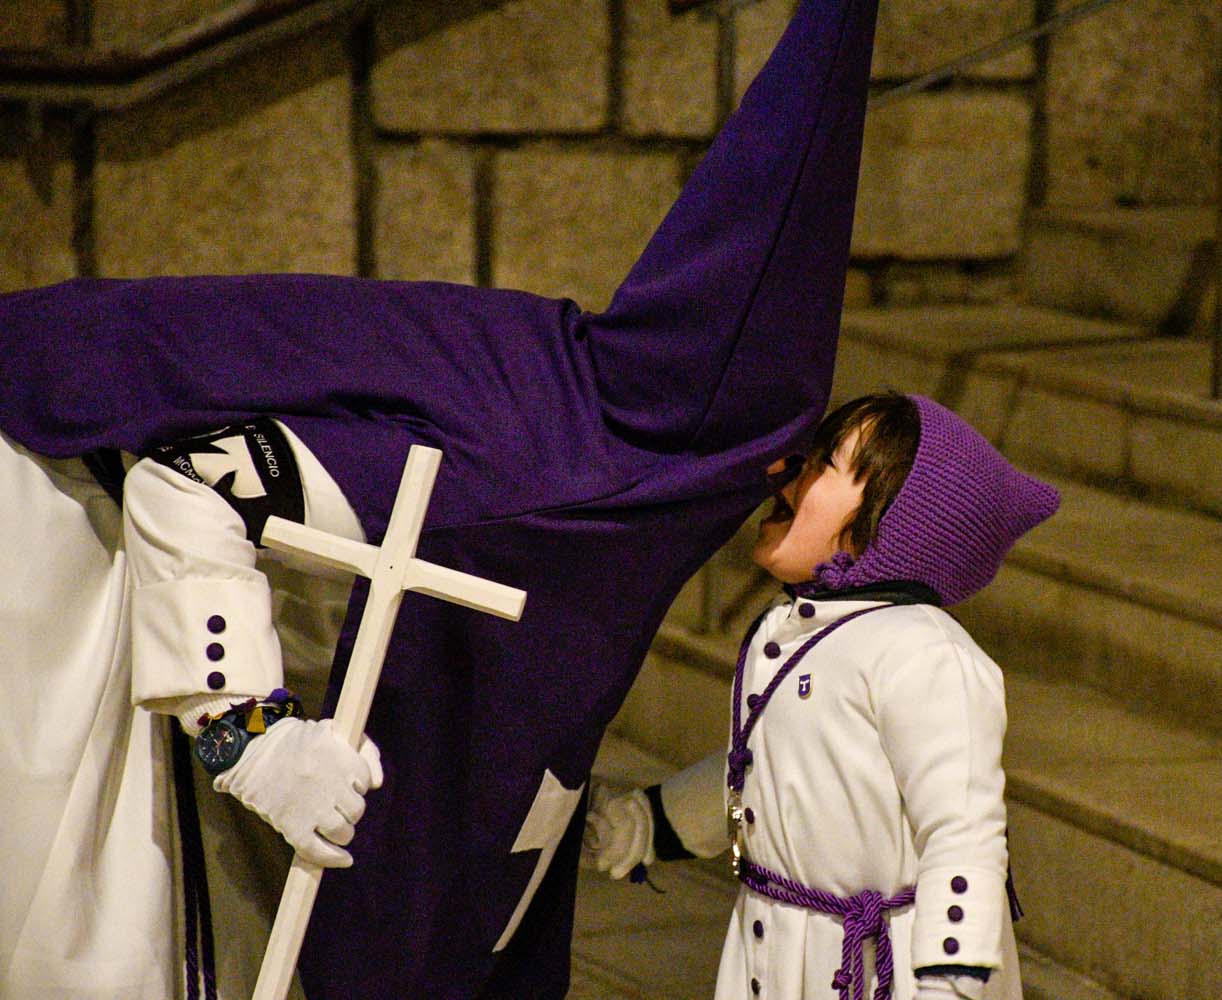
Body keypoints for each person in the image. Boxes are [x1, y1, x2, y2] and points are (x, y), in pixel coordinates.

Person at [0, 0, 884, 996]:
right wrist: (243, 731)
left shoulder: (613, 449)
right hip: (55, 460)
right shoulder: (552, 459)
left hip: (135, 502)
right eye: (785, 452)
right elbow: (199, 481)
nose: (790, 479)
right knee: (88, 919)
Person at [584, 392, 1061, 1000]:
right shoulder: (802, 630)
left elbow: (963, 832)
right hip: (778, 953)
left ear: (893, 525)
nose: (787, 472)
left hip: (882, 970)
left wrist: (951, 976)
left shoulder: (923, 654)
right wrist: (654, 822)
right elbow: (776, 773)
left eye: (822, 465)